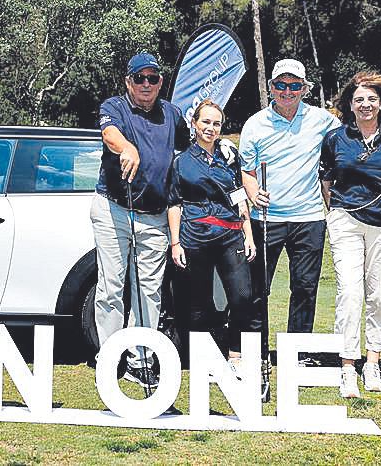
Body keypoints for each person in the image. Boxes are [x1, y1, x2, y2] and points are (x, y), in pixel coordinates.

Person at [91, 53, 190, 388]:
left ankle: (140, 361)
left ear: (161, 82)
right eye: (139, 78)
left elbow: (187, 151)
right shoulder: (115, 106)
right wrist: (128, 149)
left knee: (149, 292)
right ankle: (108, 357)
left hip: (156, 215)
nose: (146, 84)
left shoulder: (173, 114)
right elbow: (109, 136)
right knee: (111, 288)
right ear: (128, 82)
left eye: (152, 78)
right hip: (114, 209)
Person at [238, 58, 341, 367]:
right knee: (258, 289)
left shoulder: (323, 120)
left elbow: (353, 130)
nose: (287, 91)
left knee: (305, 287)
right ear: (271, 88)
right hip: (266, 219)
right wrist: (254, 194)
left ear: (304, 89)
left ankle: (297, 353)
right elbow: (247, 171)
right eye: (281, 85)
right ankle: (257, 351)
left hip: (309, 218)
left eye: (294, 85)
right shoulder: (255, 124)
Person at [319, 71, 381, 397]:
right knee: (350, 292)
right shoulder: (335, 138)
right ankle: (347, 365)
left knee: (378, 295)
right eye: (359, 99)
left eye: (372, 99)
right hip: (346, 222)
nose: (365, 104)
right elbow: (327, 182)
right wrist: (339, 213)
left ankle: (372, 361)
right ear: (349, 104)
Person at [167, 99, 259, 372]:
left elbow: (240, 198)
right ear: (194, 124)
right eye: (205, 122)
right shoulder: (181, 162)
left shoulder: (229, 159)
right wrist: (175, 242)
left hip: (231, 235)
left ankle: (235, 355)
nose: (210, 127)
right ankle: (202, 359)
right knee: (198, 303)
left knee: (242, 296)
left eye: (216, 123)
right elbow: (175, 204)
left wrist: (249, 235)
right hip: (195, 237)